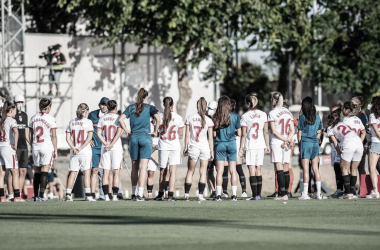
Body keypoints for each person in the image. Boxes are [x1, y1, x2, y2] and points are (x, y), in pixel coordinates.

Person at [119, 88, 160, 201]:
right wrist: (155, 131)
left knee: (134, 167)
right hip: (145, 138)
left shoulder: (130, 107)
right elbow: (158, 119)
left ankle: (133, 193)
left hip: (133, 138)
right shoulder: (149, 107)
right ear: (146, 97)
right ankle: (140, 194)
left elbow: (120, 120)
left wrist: (127, 131)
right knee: (143, 168)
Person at [239, 93, 270, 201]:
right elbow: (266, 131)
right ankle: (258, 195)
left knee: (251, 170)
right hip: (261, 144)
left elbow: (243, 134)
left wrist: (240, 148)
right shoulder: (263, 114)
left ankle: (254, 195)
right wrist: (267, 145)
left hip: (250, 145)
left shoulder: (245, 116)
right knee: (258, 170)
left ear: (248, 104)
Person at [183, 97, 214, 201]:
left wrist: (186, 146)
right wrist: (211, 150)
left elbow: (187, 134)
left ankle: (186, 195)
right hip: (204, 147)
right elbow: (210, 138)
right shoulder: (208, 120)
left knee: (190, 171)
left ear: (197, 106)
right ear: (206, 107)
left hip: (193, 146)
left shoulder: (190, 117)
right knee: (203, 171)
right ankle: (200, 195)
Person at [328, 111, 364, 199]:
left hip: (348, 143)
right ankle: (352, 193)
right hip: (359, 142)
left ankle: (347, 193)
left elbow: (335, 142)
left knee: (344, 168)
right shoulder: (343, 123)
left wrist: (339, 152)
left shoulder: (330, 128)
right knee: (354, 169)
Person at [155, 97, 184, 202]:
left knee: (162, 172)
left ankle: (160, 194)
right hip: (174, 147)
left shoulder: (159, 117)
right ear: (173, 104)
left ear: (163, 104)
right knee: (173, 172)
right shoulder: (178, 117)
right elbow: (180, 135)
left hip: (163, 146)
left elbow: (156, 131)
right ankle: (170, 194)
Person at [65, 103, 96, 202]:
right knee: (86, 173)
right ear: (86, 111)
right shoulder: (88, 122)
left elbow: (67, 138)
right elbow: (89, 138)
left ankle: (68, 195)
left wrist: (74, 147)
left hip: (74, 151)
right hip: (85, 151)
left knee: (72, 173)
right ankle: (88, 195)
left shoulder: (71, 122)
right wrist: (81, 148)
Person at [213, 96, 241, 201]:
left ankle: (218, 195)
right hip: (231, 143)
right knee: (233, 170)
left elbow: (214, 133)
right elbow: (239, 132)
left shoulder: (215, 116)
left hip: (220, 143)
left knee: (219, 171)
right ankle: (234, 195)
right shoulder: (235, 116)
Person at [29, 98, 57, 201]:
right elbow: (54, 136)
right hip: (46, 146)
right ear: (48, 107)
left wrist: (32, 145)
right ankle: (41, 196)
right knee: (45, 170)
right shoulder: (51, 118)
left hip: (36, 146)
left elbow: (29, 135)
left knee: (37, 171)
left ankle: (35, 196)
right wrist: (56, 150)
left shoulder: (33, 117)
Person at [268, 92, 295, 201]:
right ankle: (286, 194)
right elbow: (292, 130)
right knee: (286, 168)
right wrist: (287, 139)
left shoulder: (272, 113)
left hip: (277, 142)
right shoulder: (288, 112)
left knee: (279, 168)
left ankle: (282, 194)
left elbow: (273, 131)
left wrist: (284, 140)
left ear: (274, 100)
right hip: (287, 142)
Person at [297, 97, 323, 200]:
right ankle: (319, 193)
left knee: (306, 170)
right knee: (316, 169)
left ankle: (304, 194)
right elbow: (320, 131)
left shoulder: (302, 117)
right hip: (315, 143)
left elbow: (299, 133)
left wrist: (300, 145)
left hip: (306, 143)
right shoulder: (317, 117)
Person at [97, 100, 123, 201]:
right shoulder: (118, 118)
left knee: (105, 172)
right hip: (115, 147)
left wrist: (106, 143)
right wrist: (112, 144)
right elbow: (119, 132)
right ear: (115, 107)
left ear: (108, 107)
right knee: (116, 172)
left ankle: (106, 196)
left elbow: (99, 133)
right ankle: (115, 196)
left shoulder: (102, 118)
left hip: (105, 147)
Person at [221, 99, 247, 198]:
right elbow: (239, 133)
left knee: (226, 169)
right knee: (238, 168)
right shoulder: (236, 117)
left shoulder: (223, 116)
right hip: (234, 142)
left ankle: (225, 192)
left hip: (226, 142)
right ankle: (243, 191)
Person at [0, 101, 25, 202]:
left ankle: (2, 197)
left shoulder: (1, 120)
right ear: (11, 110)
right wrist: (15, 144)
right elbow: (16, 131)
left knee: (1, 174)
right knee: (15, 172)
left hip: (0, 146)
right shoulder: (11, 120)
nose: (16, 112)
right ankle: (17, 196)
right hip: (7, 147)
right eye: (15, 110)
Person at [6, 95, 29, 201]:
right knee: (13, 171)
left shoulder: (25, 115)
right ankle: (11, 194)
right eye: (18, 102)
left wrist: (31, 143)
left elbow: (26, 131)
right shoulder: (11, 115)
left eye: (21, 102)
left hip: (24, 146)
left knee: (23, 171)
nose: (20, 104)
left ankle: (18, 194)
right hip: (14, 147)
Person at [88, 97, 109, 200]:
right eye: (102, 104)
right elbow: (86, 127)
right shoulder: (92, 115)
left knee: (106, 172)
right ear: (99, 104)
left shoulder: (111, 115)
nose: (104, 106)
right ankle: (92, 194)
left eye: (106, 104)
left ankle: (104, 195)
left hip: (107, 147)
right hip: (95, 147)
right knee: (95, 170)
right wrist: (89, 139)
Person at [327, 102, 344, 198]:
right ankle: (339, 189)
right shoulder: (332, 121)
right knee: (336, 168)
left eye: (334, 112)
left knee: (341, 169)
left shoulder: (342, 121)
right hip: (334, 148)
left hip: (340, 148)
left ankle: (344, 190)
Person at [366, 97, 380, 198]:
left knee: (372, 167)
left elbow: (375, 130)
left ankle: (375, 191)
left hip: (376, 143)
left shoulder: (372, 115)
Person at [206, 101, 218, 198]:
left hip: (217, 146)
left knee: (219, 169)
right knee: (209, 170)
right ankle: (213, 190)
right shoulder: (205, 118)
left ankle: (219, 190)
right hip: (207, 146)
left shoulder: (219, 118)